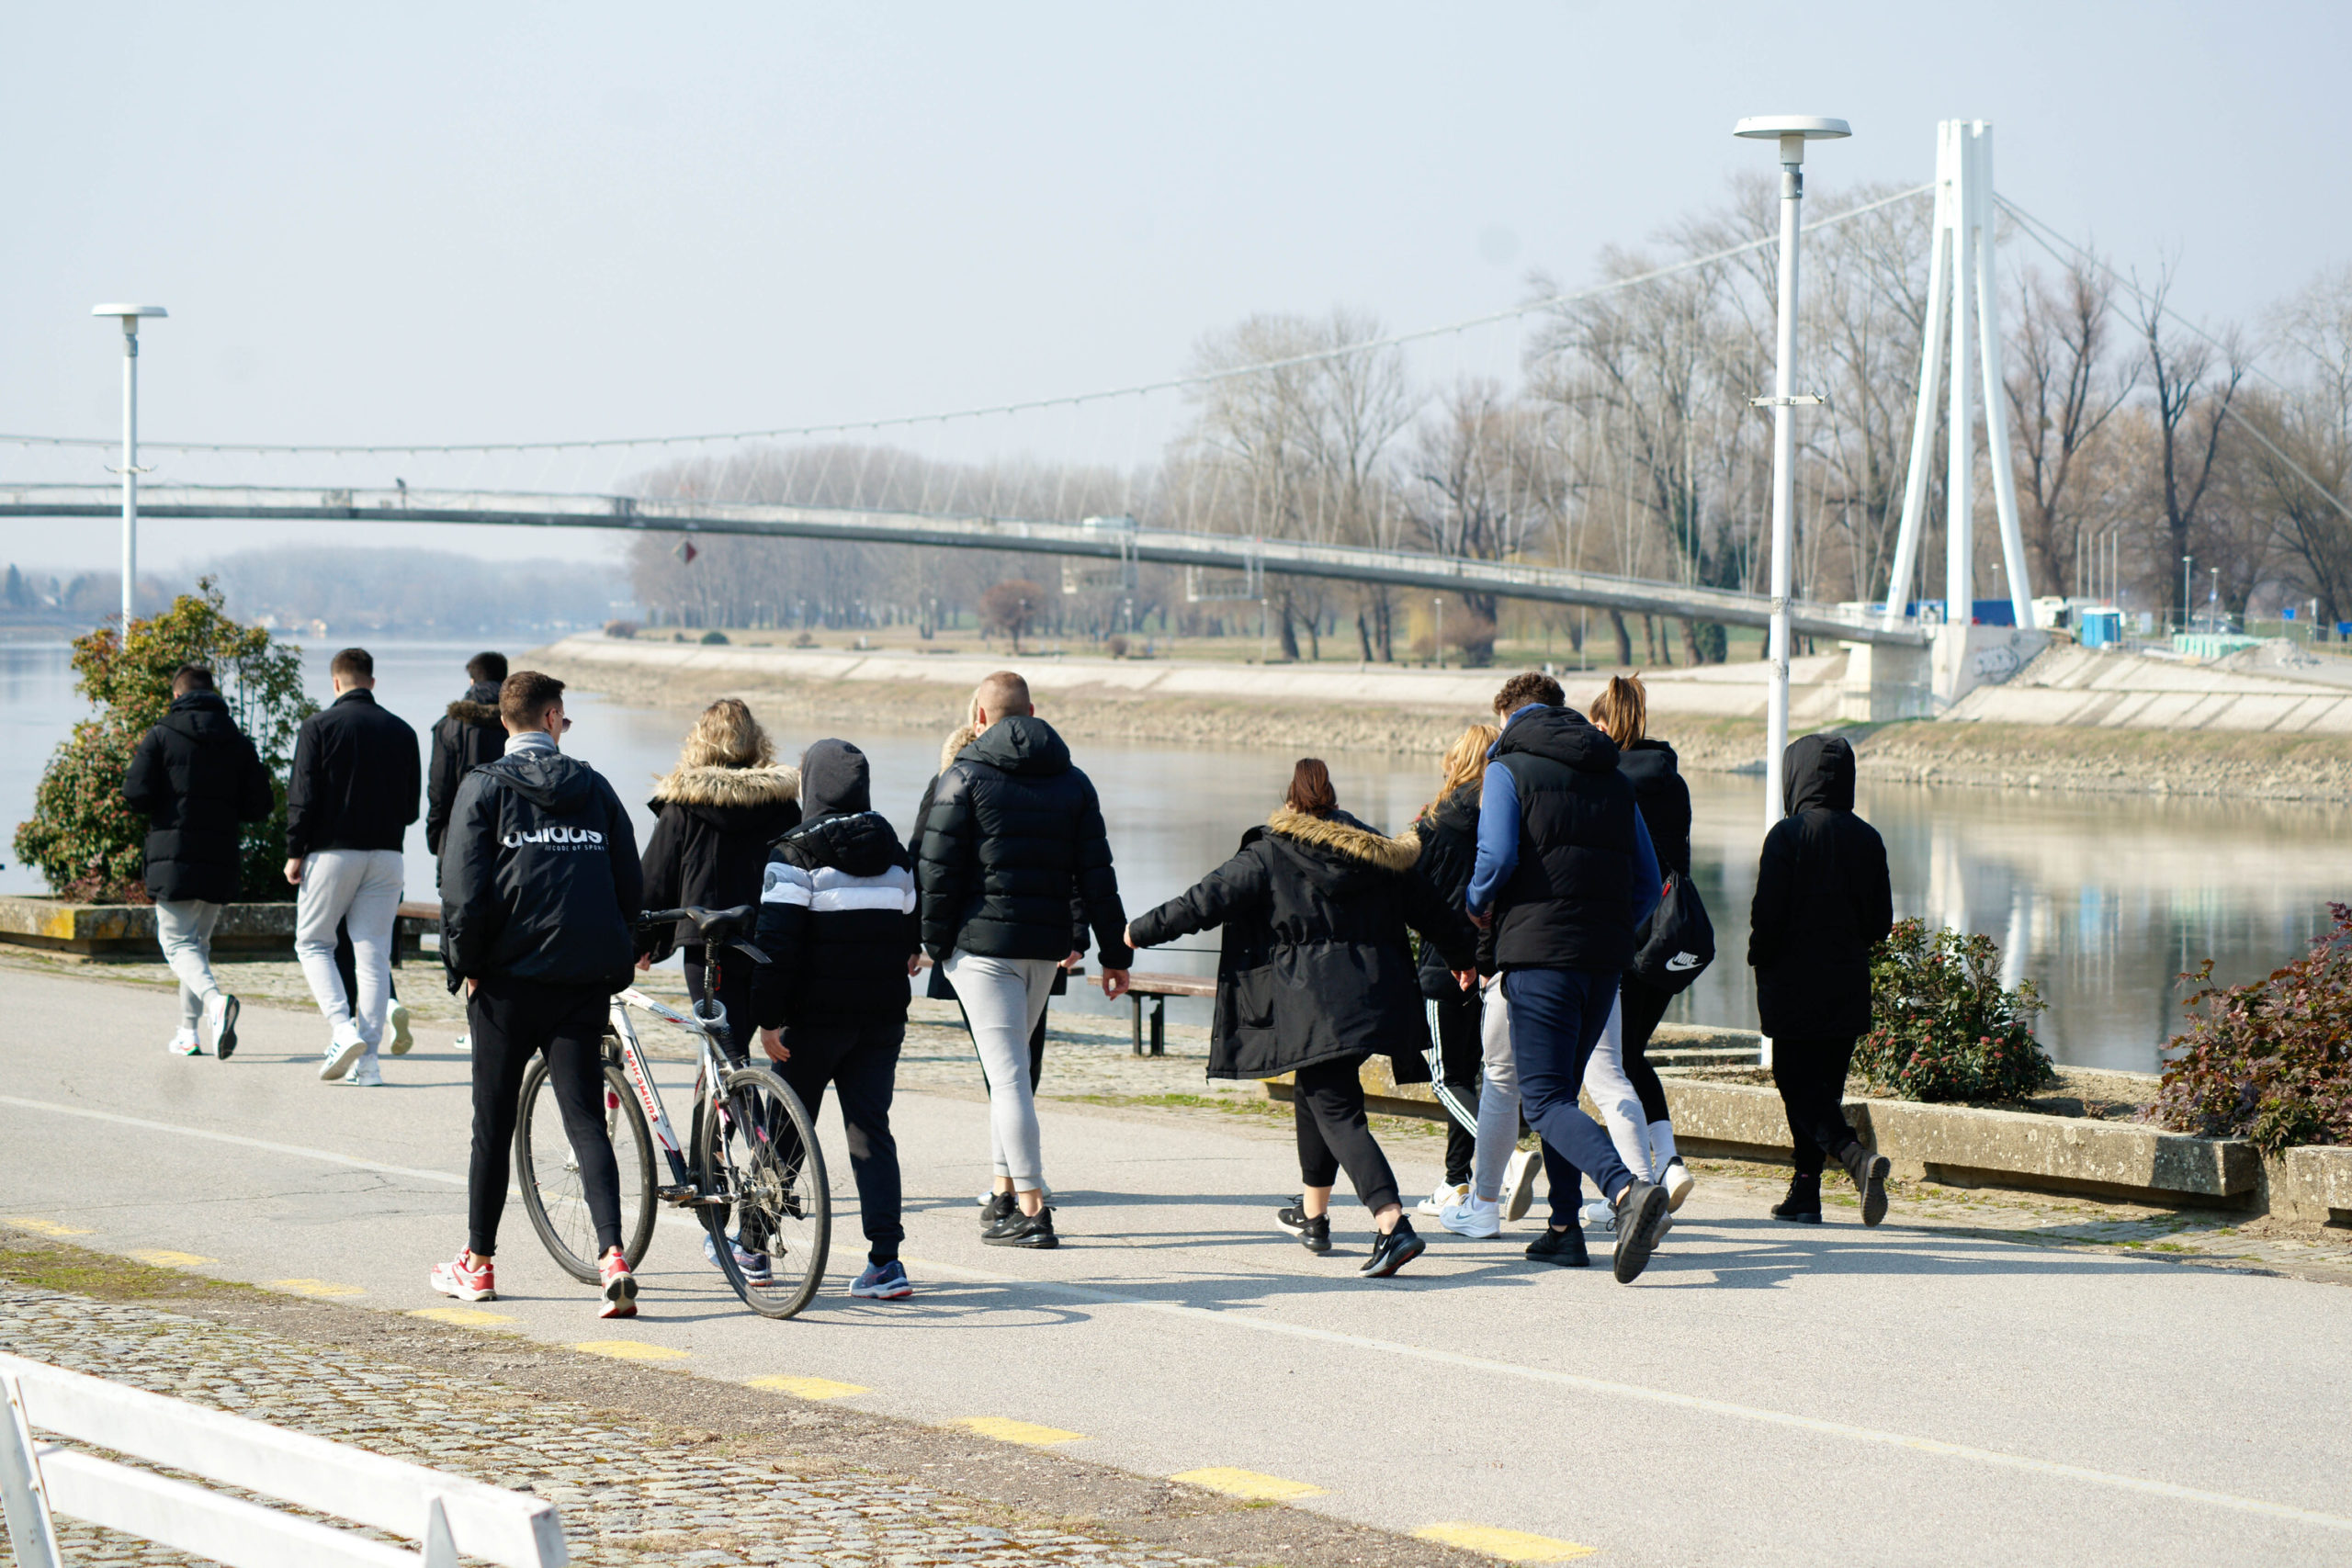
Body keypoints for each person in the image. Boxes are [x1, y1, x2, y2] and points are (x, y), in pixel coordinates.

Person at [1127, 759, 1476, 1278]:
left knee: (1336, 1108)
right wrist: (1463, 957)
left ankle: (1392, 1223)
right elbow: (1433, 911)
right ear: (1334, 802)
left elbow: (1201, 903)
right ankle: (1313, 1215)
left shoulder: (1271, 851)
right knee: (1316, 1092)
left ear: (1291, 801)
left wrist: (1134, 933)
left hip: (1311, 1002)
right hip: (1373, 998)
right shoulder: (1377, 853)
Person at [433, 671, 644, 1317]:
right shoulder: (595, 787)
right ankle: (612, 1257)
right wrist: (617, 957)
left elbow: (461, 888)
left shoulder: (484, 786)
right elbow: (629, 881)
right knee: (586, 1121)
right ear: (552, 718)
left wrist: (464, 965)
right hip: (580, 982)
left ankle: (478, 1263)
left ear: (505, 721)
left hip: (506, 984)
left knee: (493, 1126)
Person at [915, 670, 1131, 1249]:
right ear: (1032, 712)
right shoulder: (1074, 782)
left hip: (982, 952)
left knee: (1007, 1077)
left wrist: (934, 945)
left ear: (979, 718)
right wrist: (1114, 954)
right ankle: (1003, 1191)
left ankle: (1033, 1211)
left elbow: (936, 872)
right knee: (1010, 1074)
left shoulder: (962, 776)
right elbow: (1098, 875)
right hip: (1044, 950)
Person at [1466, 671, 1670, 1282]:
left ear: (1512, 719)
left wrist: (1475, 904)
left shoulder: (1507, 770)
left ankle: (1627, 1190)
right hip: (1604, 963)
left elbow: (1495, 858)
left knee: (1544, 1098)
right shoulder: (1614, 776)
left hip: (1538, 956)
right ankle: (1563, 1228)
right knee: (1563, 1090)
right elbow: (1649, 881)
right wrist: (1611, 928)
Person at [751, 739, 920, 1301]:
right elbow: (909, 935)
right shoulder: (896, 854)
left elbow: (776, 946)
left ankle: (753, 1245)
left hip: (814, 1021)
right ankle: (886, 1262)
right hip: (881, 1021)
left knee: (786, 1128)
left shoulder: (794, 854)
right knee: (871, 1132)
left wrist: (767, 1019)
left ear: (810, 785)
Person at [1751, 733, 1895, 1226]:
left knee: (1796, 1084)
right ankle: (1806, 1192)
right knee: (1823, 1092)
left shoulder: (1787, 836)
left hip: (1793, 984)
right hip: (1846, 984)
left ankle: (1855, 1159)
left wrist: (1759, 958)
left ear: (1796, 776)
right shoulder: (1868, 838)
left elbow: (1766, 916)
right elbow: (1880, 923)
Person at [1573, 675, 1698, 1234]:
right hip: (1670, 937)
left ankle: (1636, 1184)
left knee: (1609, 1068)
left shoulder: (1608, 781)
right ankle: (1665, 1161)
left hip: (1622, 936)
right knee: (1628, 1057)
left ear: (1603, 724)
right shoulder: (1674, 781)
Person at [1410, 724, 1545, 1238]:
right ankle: (1455, 1182)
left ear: (1457, 761)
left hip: (1442, 962)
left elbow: (1411, 888)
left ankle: (1509, 1158)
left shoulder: (1437, 818)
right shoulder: (1503, 815)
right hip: (1489, 957)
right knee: (1472, 1074)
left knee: (1445, 1078)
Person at [635, 697, 802, 1071]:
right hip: (768, 942)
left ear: (701, 739)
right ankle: (727, 1108)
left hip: (707, 944)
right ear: (755, 740)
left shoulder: (683, 804)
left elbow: (655, 881)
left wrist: (642, 944)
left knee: (726, 1055)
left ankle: (746, 1111)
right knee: (731, 1053)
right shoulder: (784, 805)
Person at [122, 663, 274, 1059]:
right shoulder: (237, 740)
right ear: (212, 694)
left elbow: (135, 793)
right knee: (197, 947)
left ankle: (215, 1003)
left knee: (176, 944)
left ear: (177, 695)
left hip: (174, 856)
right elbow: (260, 805)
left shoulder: (161, 734)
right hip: (220, 856)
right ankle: (188, 1033)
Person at [285, 647, 420, 1087]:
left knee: (313, 943)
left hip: (332, 851)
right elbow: (411, 809)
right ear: (372, 682)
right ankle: (370, 1063)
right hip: (388, 854)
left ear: (336, 682)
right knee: (374, 956)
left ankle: (342, 1029)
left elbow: (302, 795)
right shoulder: (403, 730)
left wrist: (294, 851)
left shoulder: (318, 726)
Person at [422, 650, 508, 1055]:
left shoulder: (450, 725)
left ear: (471, 681)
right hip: (514, 841)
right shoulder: (517, 720)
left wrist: (436, 838)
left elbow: (438, 790)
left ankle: (478, 1025)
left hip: (461, 841)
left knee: (466, 929)